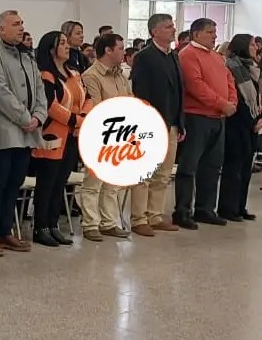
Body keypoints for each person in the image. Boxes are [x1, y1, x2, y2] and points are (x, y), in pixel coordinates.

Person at [0, 10, 44, 257]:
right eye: (15, 24)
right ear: (1, 29)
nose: (21, 27)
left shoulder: (26, 54)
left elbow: (39, 89)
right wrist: (26, 118)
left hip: (27, 131)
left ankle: (6, 231)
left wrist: (39, 116)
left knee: (15, 182)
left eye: (22, 23)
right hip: (3, 131)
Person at [30, 30, 91, 247]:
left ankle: (54, 225)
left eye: (67, 42)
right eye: (62, 43)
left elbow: (87, 98)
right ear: (51, 49)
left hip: (73, 136)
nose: (67, 46)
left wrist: (82, 119)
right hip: (53, 136)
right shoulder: (46, 75)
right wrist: (75, 120)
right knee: (47, 183)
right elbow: (51, 105)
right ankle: (41, 227)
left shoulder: (74, 72)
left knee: (60, 183)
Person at [174, 18, 235, 229]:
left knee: (212, 166)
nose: (215, 36)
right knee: (189, 167)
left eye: (215, 32)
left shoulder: (217, 57)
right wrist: (222, 103)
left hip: (218, 117)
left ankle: (205, 209)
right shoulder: (188, 55)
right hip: (196, 117)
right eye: (210, 32)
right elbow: (196, 86)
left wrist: (231, 102)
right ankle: (183, 211)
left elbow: (229, 80)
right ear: (196, 34)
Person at [129, 14, 184, 237]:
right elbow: (141, 92)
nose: (173, 30)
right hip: (151, 123)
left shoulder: (174, 56)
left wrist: (180, 122)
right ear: (155, 31)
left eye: (172, 26)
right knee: (145, 174)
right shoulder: (144, 57)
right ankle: (139, 218)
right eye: (168, 27)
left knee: (163, 174)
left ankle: (155, 215)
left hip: (172, 123)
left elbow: (179, 91)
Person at [79, 33, 131, 241]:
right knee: (93, 183)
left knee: (112, 184)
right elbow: (97, 107)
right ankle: (90, 224)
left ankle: (108, 222)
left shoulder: (120, 75)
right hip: (100, 133)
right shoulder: (91, 75)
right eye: (120, 48)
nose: (123, 52)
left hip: (121, 133)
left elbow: (130, 100)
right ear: (108, 51)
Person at [217, 34, 262, 221]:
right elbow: (236, 97)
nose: (256, 47)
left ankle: (240, 206)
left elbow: (261, 96)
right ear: (242, 46)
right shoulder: (231, 66)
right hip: (236, 123)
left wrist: (261, 117)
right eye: (252, 44)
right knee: (233, 168)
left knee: (246, 167)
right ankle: (228, 208)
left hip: (253, 123)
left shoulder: (254, 67)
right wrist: (252, 120)